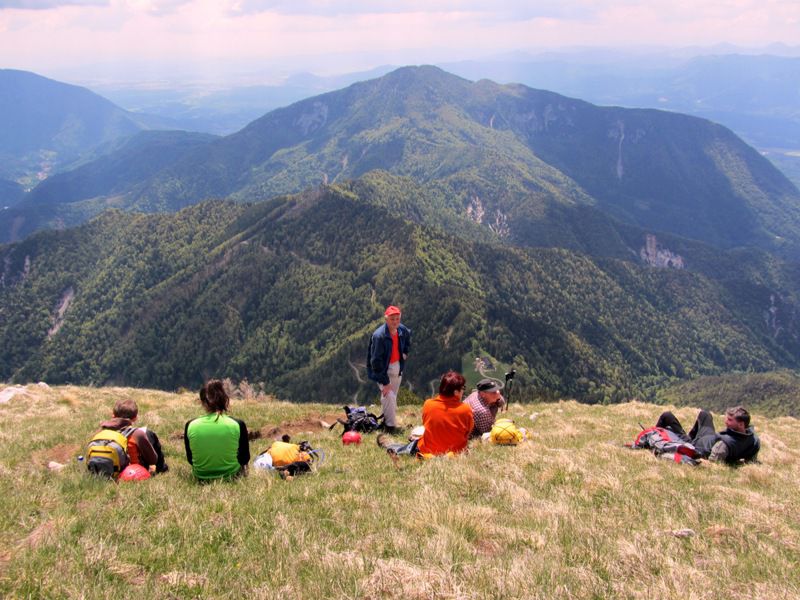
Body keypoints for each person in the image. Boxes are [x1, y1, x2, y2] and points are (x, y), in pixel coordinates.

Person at [378, 371, 473, 458]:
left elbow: (426, 425)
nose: (464, 390)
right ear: (456, 392)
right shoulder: (466, 409)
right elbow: (468, 432)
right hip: (455, 453)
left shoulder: (428, 404)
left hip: (429, 451)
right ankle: (392, 446)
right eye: (463, 388)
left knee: (413, 444)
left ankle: (391, 446)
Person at [184, 380, 250, 481]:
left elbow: (190, 459)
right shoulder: (238, 424)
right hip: (232, 476)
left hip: (201, 476)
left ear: (202, 402)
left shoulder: (190, 425)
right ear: (225, 400)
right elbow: (245, 458)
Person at [654, 406, 760, 464]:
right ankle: (689, 436)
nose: (726, 422)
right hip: (708, 438)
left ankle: (653, 434)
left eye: (730, 420)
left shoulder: (725, 443)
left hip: (695, 445)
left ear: (741, 424)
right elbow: (751, 457)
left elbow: (713, 462)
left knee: (667, 416)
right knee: (705, 414)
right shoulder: (753, 439)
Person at [367, 305, 411, 434]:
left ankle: (384, 420)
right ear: (386, 319)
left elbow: (408, 335)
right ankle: (390, 427)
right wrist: (385, 382)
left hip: (397, 366)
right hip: (382, 369)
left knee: (391, 397)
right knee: (389, 395)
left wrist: (405, 352)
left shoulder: (401, 330)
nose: (395, 322)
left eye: (397, 319)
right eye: (392, 319)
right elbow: (376, 361)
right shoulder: (379, 336)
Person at [97, 398, 168, 474]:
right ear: (135, 418)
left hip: (102, 470)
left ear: (113, 415)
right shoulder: (137, 434)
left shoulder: (100, 432)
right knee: (149, 434)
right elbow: (153, 460)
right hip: (131, 473)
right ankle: (162, 468)